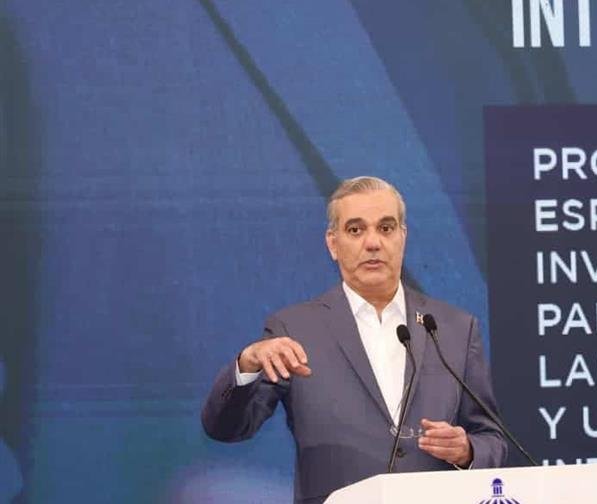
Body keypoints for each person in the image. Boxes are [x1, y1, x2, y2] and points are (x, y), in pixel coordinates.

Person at [201, 176, 507, 503]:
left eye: (386, 228)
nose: (373, 242)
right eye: (355, 230)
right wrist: (247, 364)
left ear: (403, 237)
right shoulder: (294, 329)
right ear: (333, 244)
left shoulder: (454, 328)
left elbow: (492, 439)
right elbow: (227, 428)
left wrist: (468, 450)